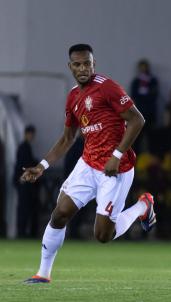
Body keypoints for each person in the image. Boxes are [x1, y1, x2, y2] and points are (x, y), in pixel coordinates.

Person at [20, 44, 156, 284]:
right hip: (89, 164)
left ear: (94, 64)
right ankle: (43, 273)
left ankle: (143, 207)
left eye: (87, 63)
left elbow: (137, 120)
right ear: (70, 66)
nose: (83, 68)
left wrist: (116, 155)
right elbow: (67, 138)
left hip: (116, 168)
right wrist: (42, 166)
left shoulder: (107, 88)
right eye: (78, 64)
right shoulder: (73, 96)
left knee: (103, 235)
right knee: (60, 213)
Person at [13, 125, 39, 238]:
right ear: (26, 134)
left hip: (22, 181)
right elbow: (24, 165)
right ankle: (21, 231)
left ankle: (22, 231)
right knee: (24, 207)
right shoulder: (24, 147)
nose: (32, 136)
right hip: (23, 181)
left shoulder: (24, 147)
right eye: (31, 134)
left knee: (25, 207)